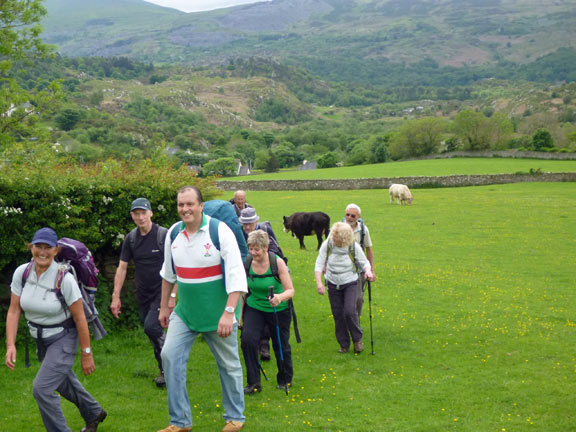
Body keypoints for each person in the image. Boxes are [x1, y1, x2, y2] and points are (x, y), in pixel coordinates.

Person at [158, 186, 247, 432]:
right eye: (180, 205)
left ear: (201, 205)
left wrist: (229, 313)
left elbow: (237, 275)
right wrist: (164, 307)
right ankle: (180, 422)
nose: (185, 209)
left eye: (189, 204)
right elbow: (168, 274)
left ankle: (235, 417)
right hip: (185, 312)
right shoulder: (174, 233)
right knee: (169, 356)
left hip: (220, 314)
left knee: (229, 365)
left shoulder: (220, 231)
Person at [5, 227, 107, 432]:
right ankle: (93, 411)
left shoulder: (64, 278)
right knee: (61, 381)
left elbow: (80, 318)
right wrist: (10, 345)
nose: (42, 252)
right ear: (31, 247)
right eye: (38, 246)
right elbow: (14, 310)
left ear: (56, 251)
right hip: (40, 339)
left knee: (41, 389)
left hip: (64, 338)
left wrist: (86, 353)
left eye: (48, 248)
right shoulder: (22, 273)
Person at [110, 197, 168, 387]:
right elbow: (122, 268)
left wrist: (174, 294)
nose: (141, 217)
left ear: (151, 213)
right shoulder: (131, 238)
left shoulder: (163, 235)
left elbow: (177, 265)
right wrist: (116, 296)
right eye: (137, 214)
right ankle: (166, 368)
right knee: (152, 333)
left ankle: (170, 368)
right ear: (132, 216)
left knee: (152, 328)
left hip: (163, 291)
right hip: (143, 293)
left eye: (144, 213)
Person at [241, 230, 295, 395]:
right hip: (254, 306)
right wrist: (239, 316)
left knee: (280, 345)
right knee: (247, 340)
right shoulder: (248, 262)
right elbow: (242, 291)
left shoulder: (277, 263)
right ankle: (253, 383)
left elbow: (290, 290)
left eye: (257, 249)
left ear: (266, 248)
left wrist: (279, 297)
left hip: (278, 309)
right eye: (251, 248)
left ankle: (284, 378)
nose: (253, 252)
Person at [314, 222, 374, 354]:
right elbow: (319, 263)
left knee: (349, 311)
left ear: (344, 238)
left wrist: (368, 271)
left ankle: (357, 340)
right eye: (333, 237)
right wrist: (319, 283)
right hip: (332, 282)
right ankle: (344, 344)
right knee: (338, 314)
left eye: (336, 238)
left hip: (350, 282)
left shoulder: (353, 246)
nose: (333, 239)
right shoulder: (328, 244)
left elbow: (364, 263)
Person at [238, 207, 286, 362]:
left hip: (269, 280)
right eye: (244, 224)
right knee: (253, 315)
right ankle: (257, 345)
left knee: (267, 312)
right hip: (247, 278)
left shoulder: (265, 234)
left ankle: (264, 346)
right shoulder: (238, 234)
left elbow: (277, 254)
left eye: (249, 223)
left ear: (256, 221)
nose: (247, 227)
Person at [344, 203, 376, 316]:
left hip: (359, 270)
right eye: (347, 215)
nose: (349, 218)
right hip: (342, 269)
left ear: (358, 217)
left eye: (353, 216)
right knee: (344, 299)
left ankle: (355, 321)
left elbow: (369, 249)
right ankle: (345, 322)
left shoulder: (363, 230)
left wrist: (372, 270)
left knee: (358, 298)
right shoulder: (339, 229)